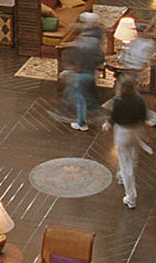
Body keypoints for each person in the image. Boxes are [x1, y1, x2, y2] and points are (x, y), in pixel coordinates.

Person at [106, 74, 150, 209]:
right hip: (135, 131)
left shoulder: (118, 102)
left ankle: (131, 197)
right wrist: (145, 135)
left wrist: (106, 125)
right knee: (132, 159)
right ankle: (121, 176)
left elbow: (113, 118)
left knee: (126, 165)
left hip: (122, 133)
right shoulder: (139, 101)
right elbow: (143, 119)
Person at [63, 17, 103, 132]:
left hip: (82, 73)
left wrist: (72, 68)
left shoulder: (82, 44)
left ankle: (81, 123)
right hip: (91, 72)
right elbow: (100, 57)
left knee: (79, 97)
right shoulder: (96, 38)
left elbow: (76, 58)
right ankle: (95, 113)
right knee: (87, 94)